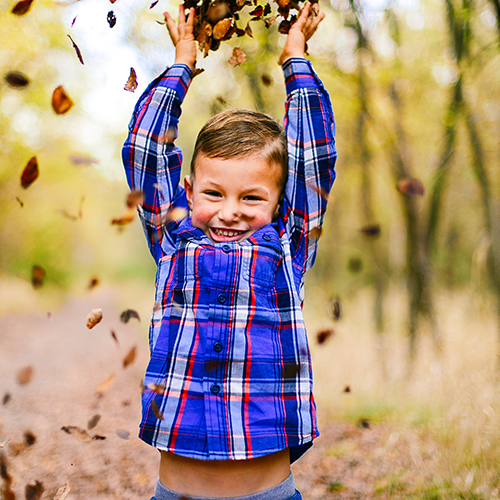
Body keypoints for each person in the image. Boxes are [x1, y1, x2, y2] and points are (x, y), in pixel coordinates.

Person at [122, 2, 337, 499]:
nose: (230, 211)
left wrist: (295, 58)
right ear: (190, 190)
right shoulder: (174, 239)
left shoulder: (287, 246)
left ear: (279, 202)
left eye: (253, 197)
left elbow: (312, 158)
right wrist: (183, 61)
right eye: (214, 193)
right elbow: (144, 151)